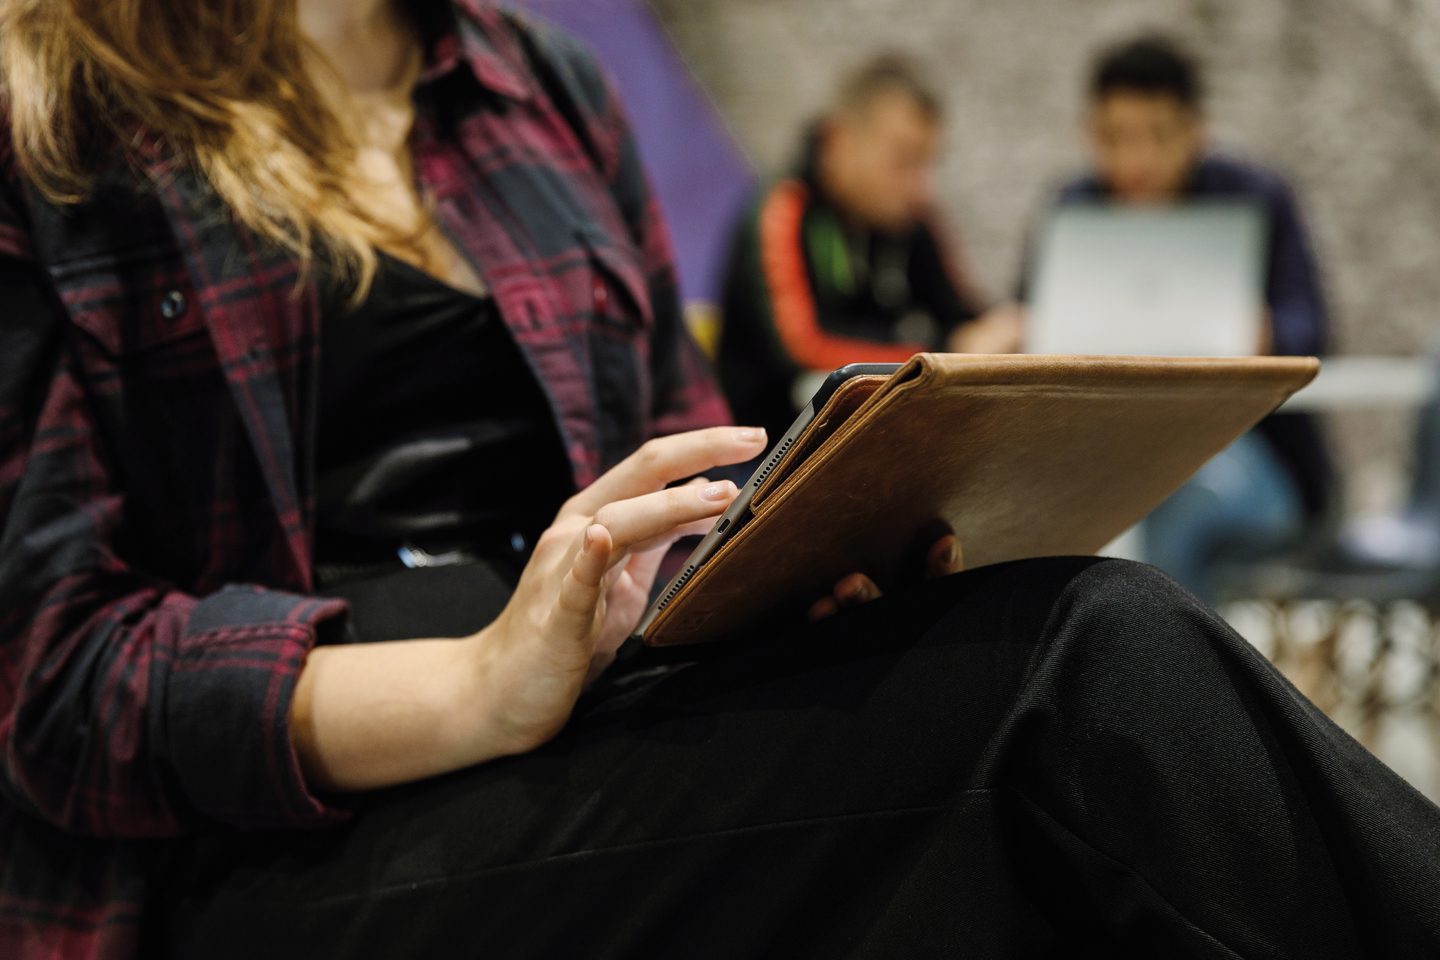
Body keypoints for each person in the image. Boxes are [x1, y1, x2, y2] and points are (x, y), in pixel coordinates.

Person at [1, 3, 1437, 958]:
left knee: (1038, 645)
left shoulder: (537, 89)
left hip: (596, 720)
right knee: (1080, 672)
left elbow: (681, 457)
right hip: (286, 843)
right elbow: (52, 679)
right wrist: (481, 684)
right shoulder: (56, 117)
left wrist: (801, 560)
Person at [1017, 34, 1336, 603]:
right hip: (1104, 450)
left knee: (1176, 490)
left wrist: (1261, 336)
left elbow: (1311, 332)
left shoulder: (1256, 198)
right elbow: (1035, 333)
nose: (1135, 161)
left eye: (1155, 136)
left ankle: (1160, 678)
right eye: (1114, 138)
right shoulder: (1073, 209)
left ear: (1195, 130)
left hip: (1245, 453)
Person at [717, 54, 1021, 442]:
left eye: (928, 162)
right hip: (767, 449)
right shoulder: (784, 207)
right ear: (840, 139)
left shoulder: (911, 212)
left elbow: (961, 310)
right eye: (904, 159)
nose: (919, 183)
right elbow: (801, 344)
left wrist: (1006, 326)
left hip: (866, 437)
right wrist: (940, 355)